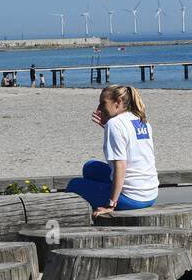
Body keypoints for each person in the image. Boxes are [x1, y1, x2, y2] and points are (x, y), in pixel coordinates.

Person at [66, 85, 159, 217]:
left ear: (118, 102)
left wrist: (111, 204)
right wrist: (107, 128)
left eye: (103, 103)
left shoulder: (115, 124)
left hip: (132, 199)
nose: (98, 108)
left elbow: (121, 166)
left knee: (74, 185)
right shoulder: (141, 120)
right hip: (150, 194)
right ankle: (106, 191)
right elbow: (131, 146)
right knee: (90, 167)